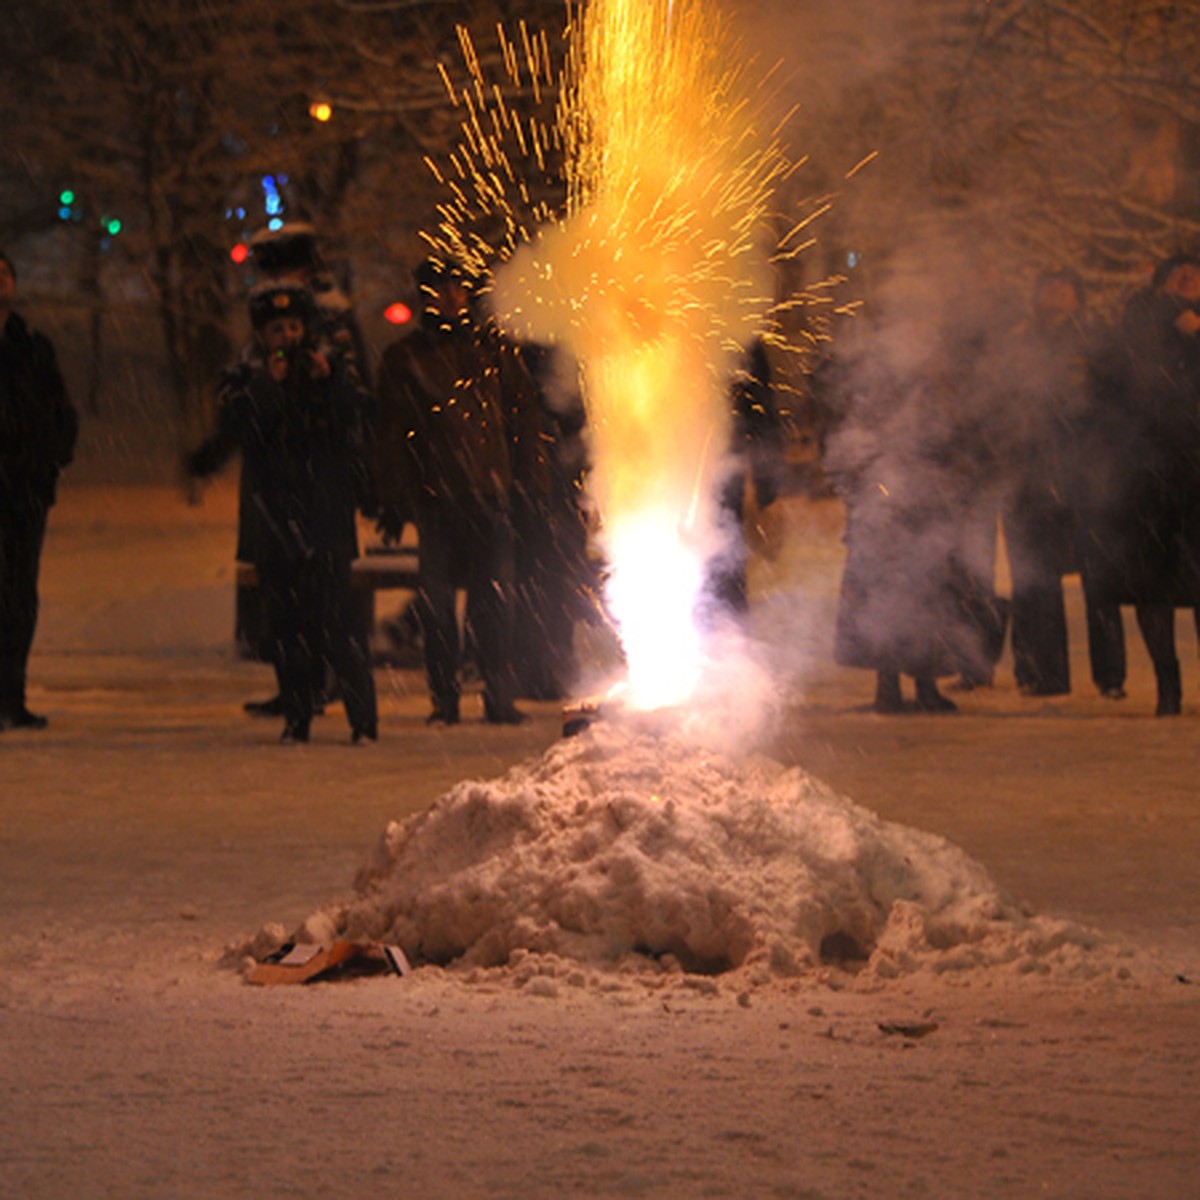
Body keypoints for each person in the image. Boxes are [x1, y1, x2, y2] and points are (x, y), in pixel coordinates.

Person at [186, 281, 378, 744]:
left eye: (294, 327)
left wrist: (328, 379)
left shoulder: (330, 370)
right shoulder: (244, 378)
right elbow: (236, 428)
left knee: (339, 624)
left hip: (326, 518)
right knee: (286, 627)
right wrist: (267, 388)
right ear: (261, 335)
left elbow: (360, 419)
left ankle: (363, 720)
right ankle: (297, 715)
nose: (288, 338)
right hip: (274, 520)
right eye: (277, 330)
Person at [374, 257, 537, 725]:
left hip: (489, 496)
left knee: (494, 604)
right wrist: (393, 495)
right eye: (441, 289)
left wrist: (528, 485)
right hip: (437, 498)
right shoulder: (405, 359)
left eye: (457, 289)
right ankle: (444, 699)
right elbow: (390, 432)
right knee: (439, 605)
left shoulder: (494, 352)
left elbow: (524, 422)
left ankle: (497, 695)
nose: (450, 298)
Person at [237, 223, 373, 716]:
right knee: (285, 589)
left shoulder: (322, 317)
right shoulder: (284, 312)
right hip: (282, 474)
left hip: (313, 476)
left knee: (314, 590)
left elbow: (351, 395)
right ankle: (299, 684)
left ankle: (313, 683)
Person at [822, 312, 988, 714]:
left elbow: (957, 435)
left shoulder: (940, 381)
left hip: (929, 505)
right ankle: (888, 684)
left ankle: (926, 682)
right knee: (885, 594)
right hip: (886, 508)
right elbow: (854, 440)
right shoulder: (878, 382)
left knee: (929, 593)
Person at [1081, 252, 1200, 715]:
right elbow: (1108, 385)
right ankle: (1167, 685)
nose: (1187, 281)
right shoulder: (1137, 330)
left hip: (1194, 473)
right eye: (1179, 276)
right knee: (1156, 587)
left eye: (1195, 277)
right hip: (1149, 473)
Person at [0, 249, 78, 730]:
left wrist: (47, 463)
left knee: (18, 594)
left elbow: (59, 413)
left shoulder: (31, 347)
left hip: (23, 490)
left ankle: (12, 695)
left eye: (4, 272)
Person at [704, 336, 788, 621]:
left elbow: (761, 415)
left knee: (724, 559)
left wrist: (768, 491)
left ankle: (728, 646)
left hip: (725, 473)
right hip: (661, 479)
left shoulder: (736, 332)